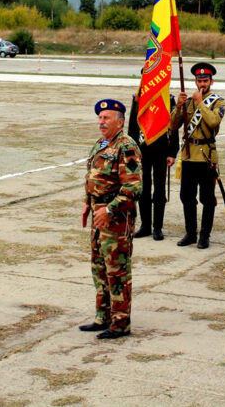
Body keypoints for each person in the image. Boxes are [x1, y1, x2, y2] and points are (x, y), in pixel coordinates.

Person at [81, 99, 142, 340]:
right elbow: (92, 176)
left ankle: (120, 322)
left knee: (117, 271)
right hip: (98, 215)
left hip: (116, 218)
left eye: (106, 118)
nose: (101, 122)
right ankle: (103, 316)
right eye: (100, 117)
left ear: (120, 121)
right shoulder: (101, 144)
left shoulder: (126, 147)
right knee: (99, 267)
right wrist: (87, 203)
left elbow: (133, 187)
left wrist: (109, 210)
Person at [170, 62, 225, 249]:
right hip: (188, 155)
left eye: (205, 80)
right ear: (195, 81)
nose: (202, 84)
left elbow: (213, 121)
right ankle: (191, 233)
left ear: (211, 81)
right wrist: (179, 107)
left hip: (206, 156)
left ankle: (205, 235)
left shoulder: (218, 101)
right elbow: (172, 125)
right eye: (199, 80)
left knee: (207, 198)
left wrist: (200, 102)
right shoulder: (187, 101)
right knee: (186, 196)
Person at [127, 91, 179, 241]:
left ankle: (157, 227)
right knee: (143, 189)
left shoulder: (167, 98)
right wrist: (131, 151)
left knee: (159, 189)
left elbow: (174, 127)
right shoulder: (138, 97)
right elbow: (133, 125)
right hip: (142, 149)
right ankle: (145, 226)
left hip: (161, 149)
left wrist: (172, 152)